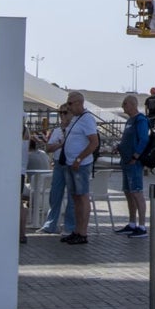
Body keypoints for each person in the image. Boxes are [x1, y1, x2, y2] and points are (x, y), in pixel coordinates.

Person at [60, 91, 99, 245]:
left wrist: (79, 158)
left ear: (78, 103)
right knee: (75, 197)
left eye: (70, 104)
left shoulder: (87, 119)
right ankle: (76, 230)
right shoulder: (75, 118)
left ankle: (83, 232)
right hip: (70, 163)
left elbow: (93, 142)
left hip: (80, 165)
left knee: (82, 197)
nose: (68, 107)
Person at [114, 93, 150, 237]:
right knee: (128, 193)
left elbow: (143, 139)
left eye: (125, 104)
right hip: (125, 161)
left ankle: (142, 226)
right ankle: (132, 223)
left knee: (137, 192)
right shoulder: (129, 121)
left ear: (133, 105)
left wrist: (136, 155)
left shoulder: (140, 120)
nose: (123, 106)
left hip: (134, 163)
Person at [40, 103, 76, 234]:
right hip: (59, 163)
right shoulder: (56, 131)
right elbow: (48, 148)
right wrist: (60, 144)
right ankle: (51, 224)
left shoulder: (75, 129)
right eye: (60, 112)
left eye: (65, 112)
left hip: (71, 163)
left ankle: (69, 226)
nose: (62, 115)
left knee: (72, 196)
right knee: (55, 194)